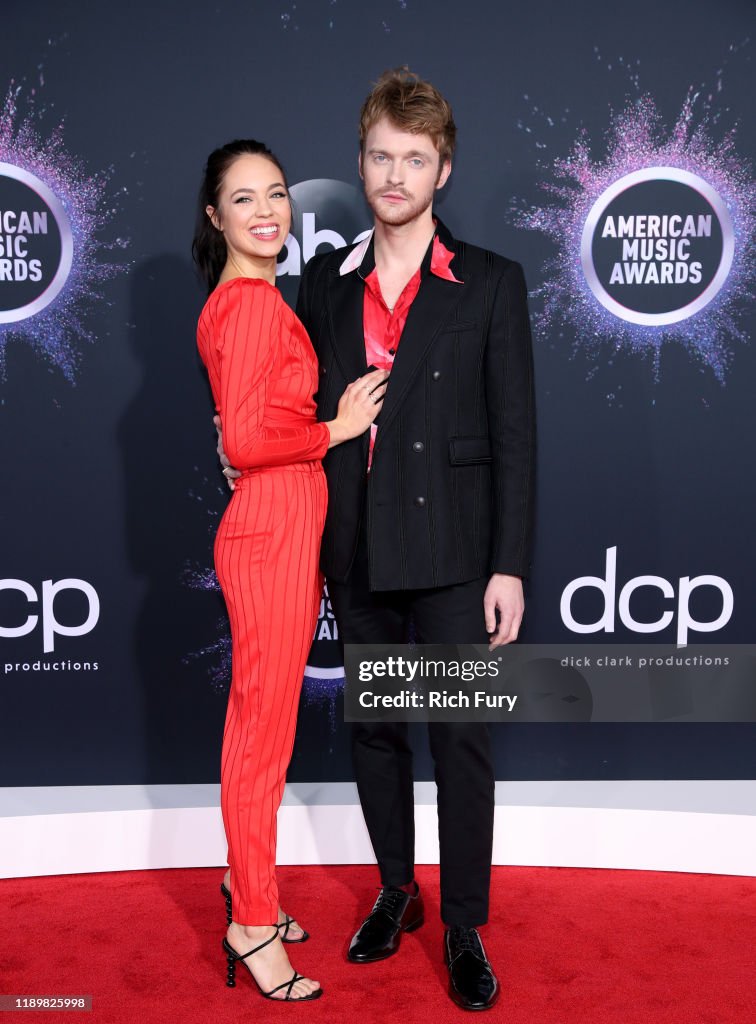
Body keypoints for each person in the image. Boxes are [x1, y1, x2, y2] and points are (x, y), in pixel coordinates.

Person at [220, 68, 535, 1011]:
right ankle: (396, 892)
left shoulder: (489, 282)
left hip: (453, 559)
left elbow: (516, 433)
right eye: (381, 155)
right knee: (375, 734)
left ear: (443, 170)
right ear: (360, 162)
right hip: (353, 548)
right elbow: (283, 397)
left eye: (416, 159)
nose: (396, 175)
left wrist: (509, 562)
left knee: (461, 741)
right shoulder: (323, 281)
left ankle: (466, 925)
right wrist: (241, 448)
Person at [193, 138, 387, 1003]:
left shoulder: (252, 300)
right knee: (261, 739)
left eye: (276, 193)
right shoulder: (249, 307)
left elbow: (239, 429)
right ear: (216, 217)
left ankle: (250, 885)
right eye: (245, 199)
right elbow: (243, 441)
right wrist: (335, 431)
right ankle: (250, 920)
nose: (268, 210)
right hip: (271, 530)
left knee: (263, 733)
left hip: (281, 524)